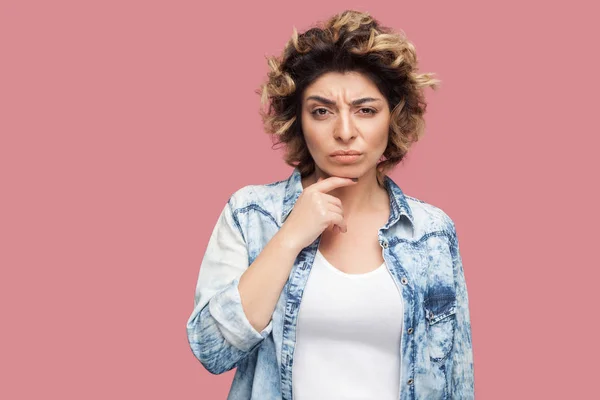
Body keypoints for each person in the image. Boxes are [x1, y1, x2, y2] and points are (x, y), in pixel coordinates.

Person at [186, 9, 474, 400]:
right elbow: (211, 350)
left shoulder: (432, 232)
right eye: (321, 111)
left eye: (366, 110)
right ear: (299, 122)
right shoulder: (251, 215)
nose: (343, 132)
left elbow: (457, 380)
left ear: (393, 118)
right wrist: (289, 238)